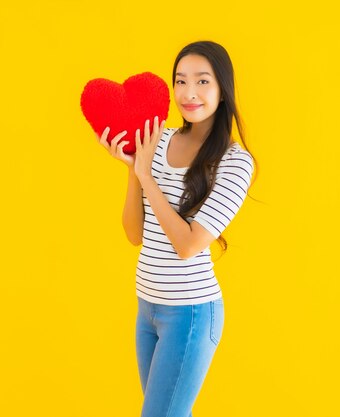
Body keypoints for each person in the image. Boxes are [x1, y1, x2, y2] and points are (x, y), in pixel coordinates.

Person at [95, 40, 258, 417]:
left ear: (223, 89)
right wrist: (133, 167)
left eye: (202, 82)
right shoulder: (159, 138)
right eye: (180, 81)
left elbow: (187, 245)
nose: (188, 93)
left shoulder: (235, 162)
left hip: (189, 313)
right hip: (147, 307)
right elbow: (135, 234)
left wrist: (146, 175)